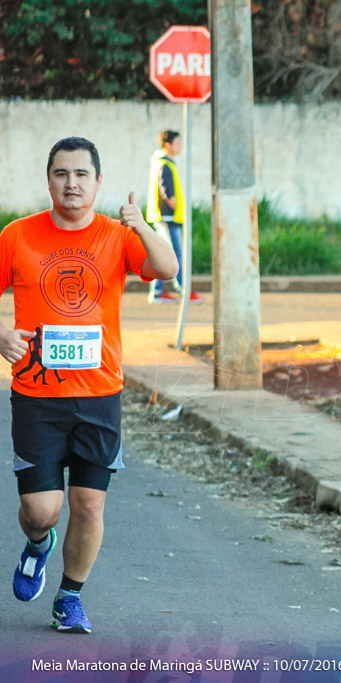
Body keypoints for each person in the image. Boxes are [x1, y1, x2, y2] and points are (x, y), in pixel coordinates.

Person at [1, 137, 178, 633]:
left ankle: (69, 597)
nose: (71, 183)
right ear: (49, 179)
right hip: (36, 395)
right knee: (40, 510)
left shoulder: (118, 236)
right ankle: (38, 545)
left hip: (99, 394)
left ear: (98, 182)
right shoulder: (17, 236)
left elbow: (167, 269)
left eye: (81, 174)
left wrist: (141, 223)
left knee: (89, 503)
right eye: (62, 173)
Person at [145, 130, 201, 304]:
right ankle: (182, 289)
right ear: (168, 145)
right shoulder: (164, 165)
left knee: (163, 254)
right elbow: (165, 187)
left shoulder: (164, 163)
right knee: (175, 253)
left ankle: (158, 291)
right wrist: (172, 202)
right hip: (167, 217)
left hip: (166, 217)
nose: (180, 146)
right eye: (177, 143)